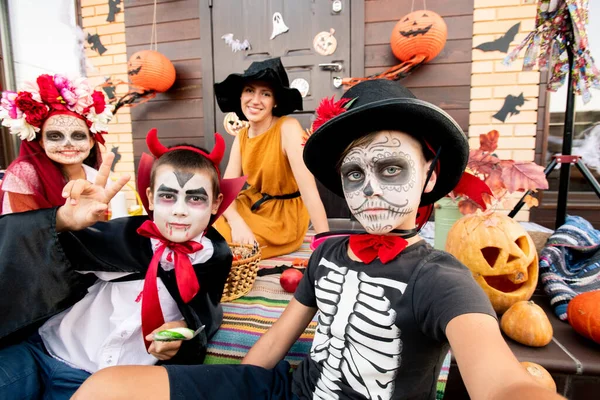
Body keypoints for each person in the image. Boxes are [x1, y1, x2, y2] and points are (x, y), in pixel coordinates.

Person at [71, 80, 564, 400]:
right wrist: (233, 385)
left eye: (391, 169)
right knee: (105, 387)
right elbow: (277, 340)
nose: (368, 189)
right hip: (283, 388)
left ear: (430, 178)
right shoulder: (327, 252)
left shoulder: (442, 277)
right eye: (354, 173)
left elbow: (502, 383)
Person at [0, 129, 245, 399]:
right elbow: (40, 259)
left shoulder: (213, 259)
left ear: (216, 203)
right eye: (167, 196)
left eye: (195, 198)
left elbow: (204, 316)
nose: (179, 209)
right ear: (150, 198)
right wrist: (64, 221)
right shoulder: (126, 237)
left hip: (104, 383)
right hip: (44, 351)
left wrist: (181, 334)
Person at [213, 57, 329, 258]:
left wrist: (327, 245)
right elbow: (228, 190)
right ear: (240, 96)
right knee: (203, 223)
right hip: (252, 204)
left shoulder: (288, 128)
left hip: (283, 218)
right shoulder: (242, 135)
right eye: (249, 90)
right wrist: (237, 222)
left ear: (275, 102)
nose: (255, 100)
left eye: (265, 94)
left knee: (222, 246)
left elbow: (309, 192)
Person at [0, 74, 115, 214]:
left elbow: (108, 225)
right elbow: (20, 229)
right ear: (41, 142)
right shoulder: (25, 174)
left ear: (91, 142)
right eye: (55, 136)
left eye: (78, 136)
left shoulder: (99, 179)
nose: (67, 143)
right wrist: (65, 220)